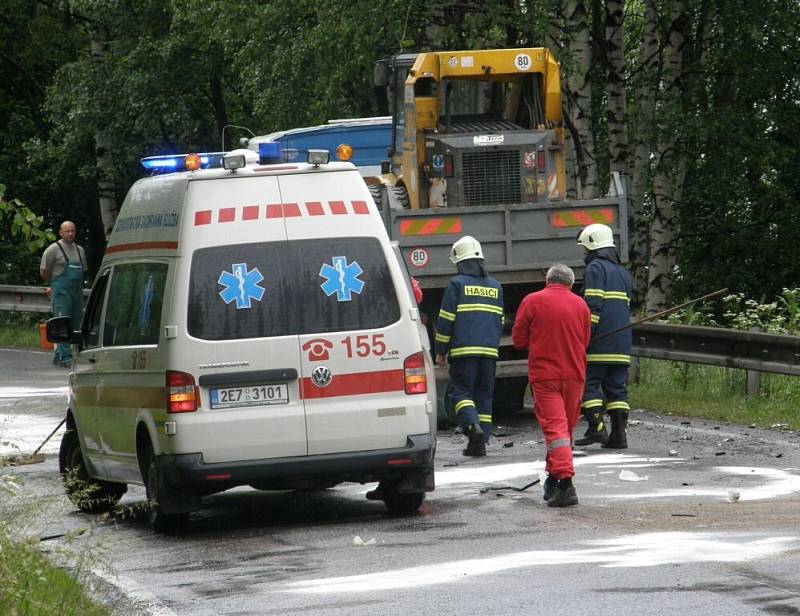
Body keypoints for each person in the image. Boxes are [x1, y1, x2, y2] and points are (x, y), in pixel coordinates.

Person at [512, 263, 590, 507]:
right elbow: (585, 340)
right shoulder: (581, 304)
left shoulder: (532, 301)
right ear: (569, 283)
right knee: (564, 432)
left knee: (556, 432)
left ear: (548, 281)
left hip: (546, 376)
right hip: (575, 375)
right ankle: (554, 478)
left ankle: (566, 484)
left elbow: (518, 339)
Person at [434, 236, 503, 457]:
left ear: (460, 262)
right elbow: (499, 321)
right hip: (490, 352)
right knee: (484, 395)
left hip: (464, 351)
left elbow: (446, 320)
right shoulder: (496, 286)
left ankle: (472, 427)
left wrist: (441, 350)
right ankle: (479, 444)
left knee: (460, 392)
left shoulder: (457, 284)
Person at [574, 223, 633, 449]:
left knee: (588, 383)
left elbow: (593, 307)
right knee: (616, 388)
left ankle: (596, 428)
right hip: (621, 341)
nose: (584, 253)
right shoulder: (622, 272)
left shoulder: (595, 268)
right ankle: (619, 436)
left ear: (591, 244)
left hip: (601, 341)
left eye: (584, 248)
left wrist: (585, 337)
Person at [40, 221, 87, 367]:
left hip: (76, 292)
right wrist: (54, 284)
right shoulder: (53, 249)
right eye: (67, 231)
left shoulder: (80, 250)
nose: (70, 234)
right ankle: (65, 357)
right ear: (61, 232)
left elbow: (83, 270)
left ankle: (59, 355)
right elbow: (44, 271)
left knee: (75, 324)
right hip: (61, 291)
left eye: (72, 231)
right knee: (61, 323)